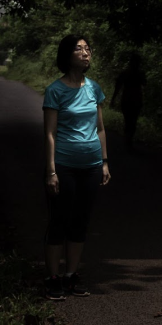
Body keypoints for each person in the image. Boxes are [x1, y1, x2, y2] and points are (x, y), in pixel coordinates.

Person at [42, 35, 111, 300]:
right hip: (64, 165)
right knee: (59, 221)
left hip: (91, 165)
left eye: (87, 49)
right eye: (78, 49)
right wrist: (51, 171)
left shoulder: (94, 88)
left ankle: (71, 275)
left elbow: (101, 128)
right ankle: (53, 278)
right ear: (67, 55)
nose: (85, 53)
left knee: (81, 221)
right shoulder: (55, 90)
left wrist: (104, 162)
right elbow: (49, 134)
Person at [111, 52, 146, 152]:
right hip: (134, 99)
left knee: (129, 121)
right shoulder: (137, 73)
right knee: (132, 121)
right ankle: (128, 142)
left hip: (128, 99)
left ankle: (128, 142)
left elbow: (118, 87)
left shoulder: (126, 73)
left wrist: (113, 99)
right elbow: (144, 84)